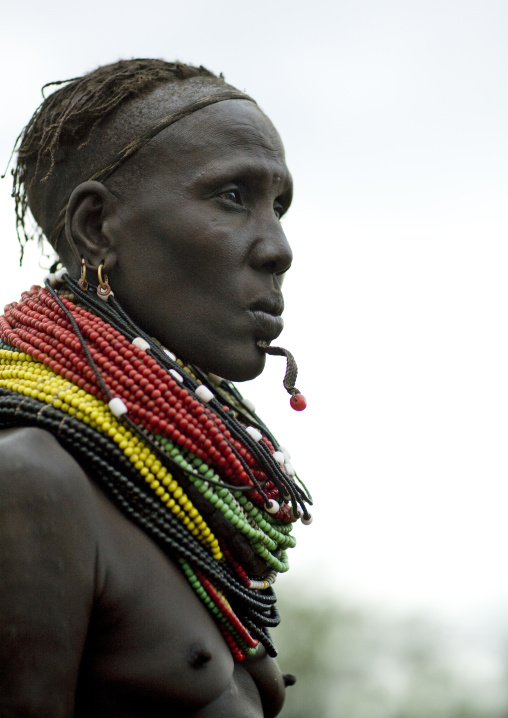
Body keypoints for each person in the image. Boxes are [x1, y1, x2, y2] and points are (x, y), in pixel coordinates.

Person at [0, 58, 312, 717]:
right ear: (96, 228)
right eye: (233, 196)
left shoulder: (162, 501)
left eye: (278, 205)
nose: (279, 247)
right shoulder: (26, 480)